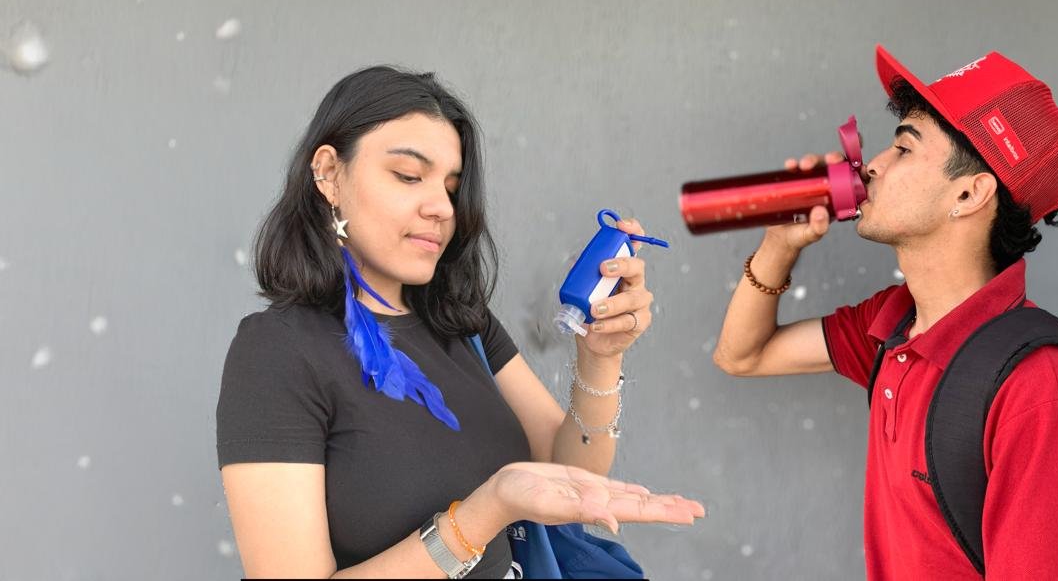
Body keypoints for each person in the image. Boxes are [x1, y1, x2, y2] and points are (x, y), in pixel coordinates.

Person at [216, 66, 703, 579]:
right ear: (329, 174)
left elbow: (574, 477)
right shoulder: (277, 352)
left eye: (451, 187)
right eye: (409, 176)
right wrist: (487, 511)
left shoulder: (463, 324)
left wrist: (600, 357)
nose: (441, 208)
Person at [712, 46, 1058, 579]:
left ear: (969, 193)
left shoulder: (1041, 388)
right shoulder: (893, 325)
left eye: (903, 148)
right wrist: (780, 244)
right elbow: (743, 355)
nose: (873, 164)